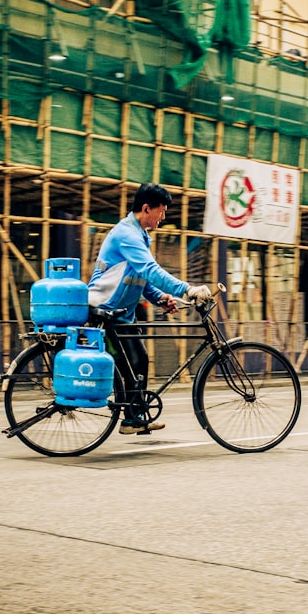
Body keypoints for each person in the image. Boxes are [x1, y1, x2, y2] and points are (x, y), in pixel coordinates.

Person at [88, 183, 212, 434]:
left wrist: (159, 298)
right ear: (146, 208)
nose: (163, 217)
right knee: (128, 364)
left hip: (122, 315)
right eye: (162, 211)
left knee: (140, 359)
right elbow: (150, 271)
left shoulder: (141, 237)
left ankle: (135, 417)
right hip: (104, 312)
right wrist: (186, 289)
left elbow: (137, 279)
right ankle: (131, 418)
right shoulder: (127, 235)